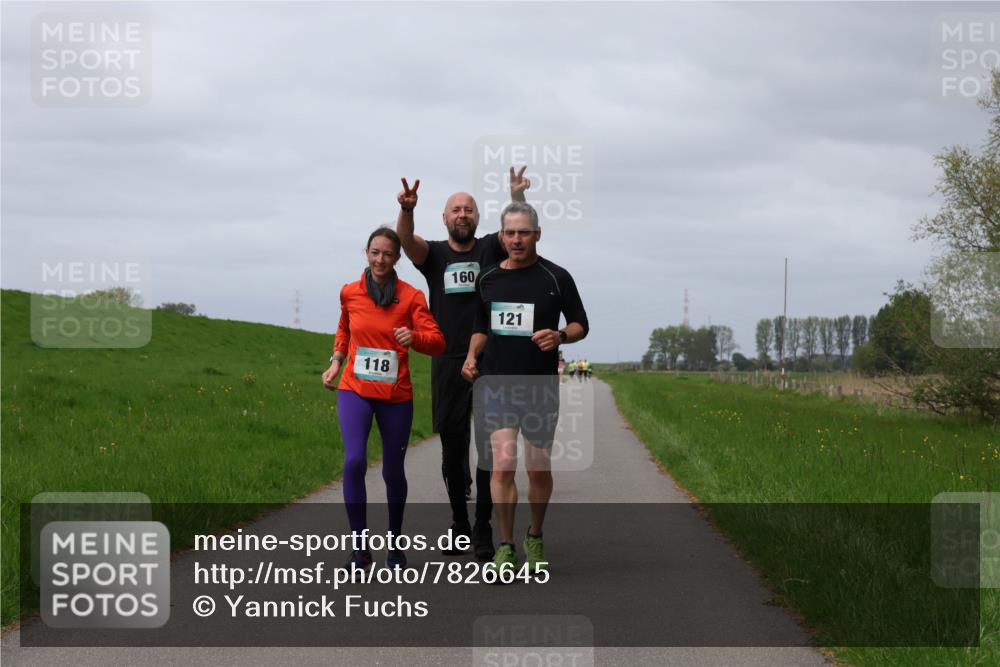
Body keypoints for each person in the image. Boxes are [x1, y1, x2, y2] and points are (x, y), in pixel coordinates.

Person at [395, 168, 528, 561]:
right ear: (445, 218)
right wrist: (406, 210)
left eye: (469, 209)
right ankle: (459, 522)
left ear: (477, 217)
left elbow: (518, 231)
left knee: (491, 449)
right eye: (456, 209)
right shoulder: (434, 255)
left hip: (492, 361)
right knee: (453, 448)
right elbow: (405, 240)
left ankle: (485, 527)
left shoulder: (491, 247)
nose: (463, 214)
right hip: (447, 359)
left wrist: (517, 197)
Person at [462, 201, 589, 576]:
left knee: (537, 470)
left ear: (537, 234)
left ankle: (535, 534)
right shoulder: (487, 279)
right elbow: (481, 327)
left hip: (539, 386)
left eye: (524, 233)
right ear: (501, 236)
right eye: (510, 233)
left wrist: (560, 335)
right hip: (497, 384)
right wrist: (471, 357)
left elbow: (581, 322)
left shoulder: (556, 277)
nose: (517, 240)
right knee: (502, 466)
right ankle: (506, 545)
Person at [322, 227, 446, 569]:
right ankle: (359, 549)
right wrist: (336, 362)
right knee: (354, 462)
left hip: (395, 396)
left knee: (393, 471)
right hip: (355, 390)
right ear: (367, 253)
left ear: (397, 258)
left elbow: (437, 342)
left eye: (387, 254)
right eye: (375, 252)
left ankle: (394, 544)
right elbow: (344, 329)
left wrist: (415, 337)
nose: (380, 259)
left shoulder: (411, 296)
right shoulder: (350, 292)